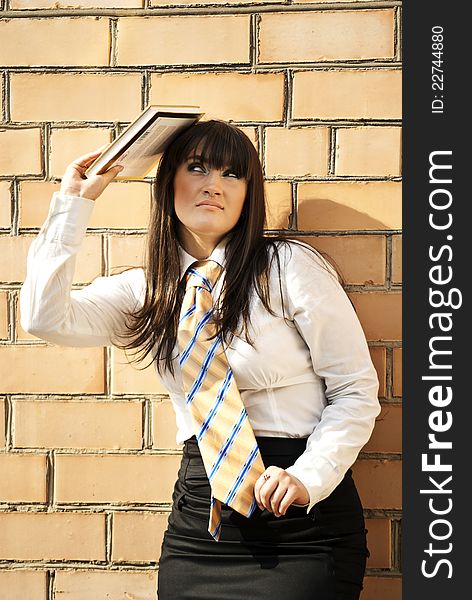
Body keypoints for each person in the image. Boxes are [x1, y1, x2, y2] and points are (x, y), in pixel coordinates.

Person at [20, 120, 381, 600]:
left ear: (249, 193)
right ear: (169, 181)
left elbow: (355, 390)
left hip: (298, 513)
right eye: (197, 168)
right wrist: (74, 203)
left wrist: (308, 475)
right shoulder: (146, 291)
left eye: (232, 174)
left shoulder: (289, 266)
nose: (213, 184)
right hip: (201, 523)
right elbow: (44, 318)